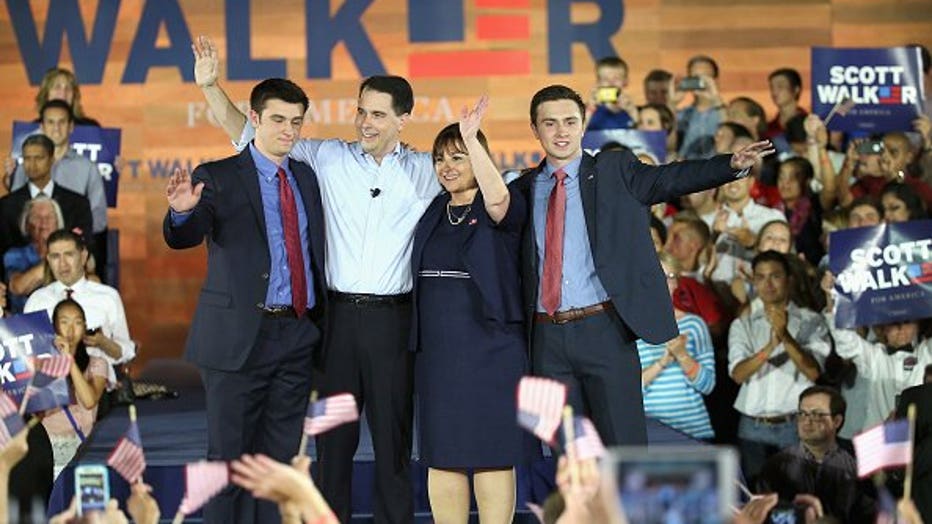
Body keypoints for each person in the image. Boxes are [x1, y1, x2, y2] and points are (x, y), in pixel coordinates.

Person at [192, 35, 438, 522]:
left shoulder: (427, 170)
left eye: (378, 115)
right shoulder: (325, 157)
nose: (366, 122)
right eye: (362, 111)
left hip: (394, 325)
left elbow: (489, 188)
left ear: (402, 120)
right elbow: (248, 132)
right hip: (337, 324)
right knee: (331, 450)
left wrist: (472, 144)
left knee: (393, 447)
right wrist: (210, 87)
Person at [510, 84, 774, 446]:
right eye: (550, 123)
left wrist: (728, 165)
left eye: (570, 122)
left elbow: (670, 179)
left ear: (583, 125)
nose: (561, 132)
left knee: (625, 448)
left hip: (605, 330)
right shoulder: (522, 189)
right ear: (534, 129)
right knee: (567, 460)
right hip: (545, 339)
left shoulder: (615, 170)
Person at [164, 77, 326, 524]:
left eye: (296, 121)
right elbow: (187, 234)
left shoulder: (307, 177)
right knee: (229, 463)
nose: (288, 130)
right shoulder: (217, 176)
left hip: (295, 337)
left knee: (276, 467)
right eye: (278, 119)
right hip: (238, 340)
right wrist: (181, 212)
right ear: (253, 118)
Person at [410, 98, 531, 523]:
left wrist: (471, 140)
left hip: (492, 351)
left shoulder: (502, 204)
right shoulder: (432, 212)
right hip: (440, 355)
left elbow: (498, 198)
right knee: (443, 454)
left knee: (492, 454)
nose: (447, 166)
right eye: (440, 159)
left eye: (457, 157)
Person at [728, 251, 831, 482]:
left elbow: (814, 372)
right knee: (757, 496)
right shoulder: (743, 325)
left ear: (789, 280)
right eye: (761, 277)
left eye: (775, 276)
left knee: (798, 495)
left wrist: (784, 335)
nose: (768, 284)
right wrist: (768, 348)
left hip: (795, 424)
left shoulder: (811, 321)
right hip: (752, 425)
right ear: (753, 281)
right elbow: (738, 374)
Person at [24, 230, 135, 387]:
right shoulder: (37, 300)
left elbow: (126, 352)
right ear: (48, 260)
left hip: (95, 387)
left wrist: (103, 343)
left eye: (69, 254)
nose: (62, 264)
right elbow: (24, 354)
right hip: (50, 390)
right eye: (55, 257)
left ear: (83, 257)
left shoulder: (107, 297)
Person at [8, 100, 109, 274]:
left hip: (72, 254)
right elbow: (14, 214)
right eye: (51, 122)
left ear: (71, 126)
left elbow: (99, 221)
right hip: (29, 256)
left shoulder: (87, 168)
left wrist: (65, 235)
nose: (56, 128)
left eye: (62, 122)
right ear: (42, 126)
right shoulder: (26, 167)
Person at [757, 385, 876, 523]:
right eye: (802, 413)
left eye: (817, 414)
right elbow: (767, 515)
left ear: (837, 421)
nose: (807, 421)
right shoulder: (777, 465)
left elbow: (872, 513)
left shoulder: (859, 461)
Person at [637, 252, 716, 440]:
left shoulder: (694, 324)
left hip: (693, 431)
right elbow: (627, 390)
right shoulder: (631, 327)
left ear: (677, 283)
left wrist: (682, 356)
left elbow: (708, 385)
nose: (664, 283)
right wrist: (663, 362)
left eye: (670, 277)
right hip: (651, 432)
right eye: (658, 275)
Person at [41, 299, 108, 478]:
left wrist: (69, 361)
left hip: (81, 447)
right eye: (64, 322)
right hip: (47, 446)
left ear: (85, 326)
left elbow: (89, 401)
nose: (71, 330)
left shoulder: (97, 363)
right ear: (54, 326)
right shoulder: (42, 364)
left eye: (77, 322)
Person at [0, 135, 93, 259]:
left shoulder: (78, 204)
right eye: (27, 158)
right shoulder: (6, 205)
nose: (32, 164)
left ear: (51, 159)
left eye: (39, 158)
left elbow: (86, 247)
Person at [4, 196, 64, 312]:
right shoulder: (15, 255)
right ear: (26, 224)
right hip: (25, 321)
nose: (43, 223)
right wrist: (55, 257)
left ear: (58, 223)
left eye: (49, 217)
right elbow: (18, 287)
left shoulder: (71, 251)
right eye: (37, 217)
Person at [586, 56, 638, 131]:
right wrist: (590, 109)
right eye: (605, 79)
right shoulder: (590, 109)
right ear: (598, 82)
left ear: (625, 81)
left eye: (616, 78)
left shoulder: (631, 109)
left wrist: (632, 112)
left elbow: (644, 137)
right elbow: (577, 136)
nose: (611, 83)